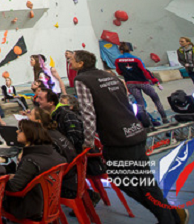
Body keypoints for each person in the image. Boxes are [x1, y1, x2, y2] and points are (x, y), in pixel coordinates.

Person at [72, 50, 185, 224]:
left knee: (123, 180)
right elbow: (124, 100)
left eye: (71, 59)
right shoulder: (110, 76)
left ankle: (168, 217)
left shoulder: (81, 80)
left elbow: (88, 113)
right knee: (145, 181)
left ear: (80, 64)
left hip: (118, 139)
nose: (69, 62)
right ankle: (171, 216)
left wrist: (88, 142)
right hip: (134, 131)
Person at [2, 120, 66, 221]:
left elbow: (13, 187)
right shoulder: (51, 152)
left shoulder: (31, 160)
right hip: (49, 202)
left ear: (30, 135)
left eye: (21, 130)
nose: (17, 132)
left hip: (31, 207)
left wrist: (4, 179)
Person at [116, 42, 170, 126]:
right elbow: (144, 71)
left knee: (140, 104)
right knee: (156, 99)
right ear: (130, 50)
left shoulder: (117, 60)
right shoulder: (136, 59)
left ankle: (147, 123)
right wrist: (154, 80)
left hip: (130, 83)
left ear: (120, 50)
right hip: (143, 82)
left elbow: (119, 72)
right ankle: (164, 118)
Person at [30, 107, 77, 199]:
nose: (28, 118)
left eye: (30, 115)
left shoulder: (47, 138)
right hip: (72, 176)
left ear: (38, 121)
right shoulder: (54, 132)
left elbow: (51, 164)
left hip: (65, 184)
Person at [37, 89, 84, 153]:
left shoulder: (67, 115)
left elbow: (74, 138)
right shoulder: (49, 116)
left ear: (51, 102)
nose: (37, 100)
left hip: (71, 155)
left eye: (40, 98)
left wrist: (56, 150)